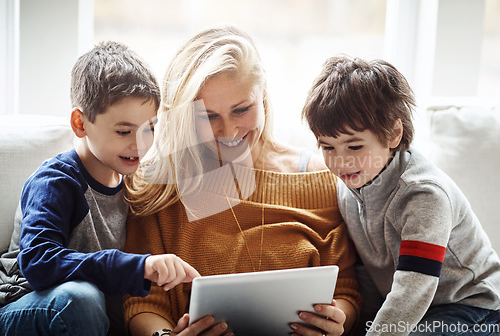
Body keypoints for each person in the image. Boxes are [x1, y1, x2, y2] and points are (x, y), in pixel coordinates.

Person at [123, 25, 362, 336]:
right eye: (208, 116)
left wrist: (336, 320)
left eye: (241, 110)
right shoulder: (159, 185)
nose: (229, 132)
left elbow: (345, 288)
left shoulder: (318, 177)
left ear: (262, 97)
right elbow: (143, 302)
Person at [0, 41, 200, 336]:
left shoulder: (135, 181)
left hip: (91, 318)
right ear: (80, 123)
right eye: (123, 131)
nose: (139, 144)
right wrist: (136, 267)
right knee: (81, 299)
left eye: (150, 128)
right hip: (27, 305)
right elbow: (38, 262)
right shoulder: (55, 182)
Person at [301, 55, 500, 335]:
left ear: (394, 133)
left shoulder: (423, 195)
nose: (340, 161)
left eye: (354, 147)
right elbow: (370, 276)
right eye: (328, 148)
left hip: (472, 306)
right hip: (415, 311)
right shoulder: (349, 189)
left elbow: (414, 288)